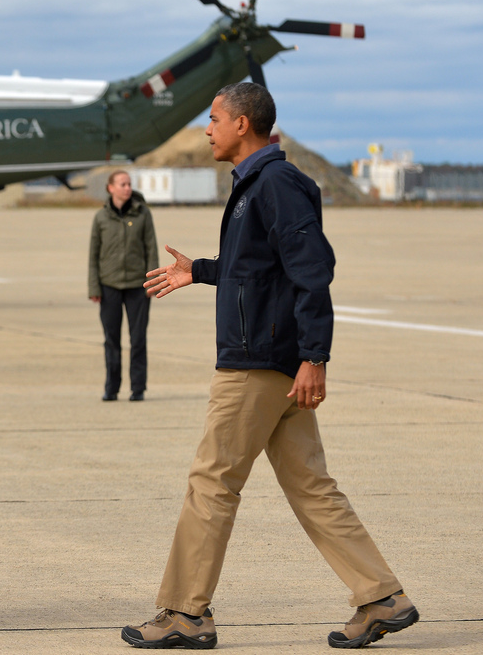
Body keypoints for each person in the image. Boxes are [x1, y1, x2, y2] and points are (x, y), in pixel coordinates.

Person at [121, 83, 418, 650]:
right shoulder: (256, 186)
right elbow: (259, 269)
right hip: (272, 360)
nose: (206, 129)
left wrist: (315, 357)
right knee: (311, 486)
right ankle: (381, 596)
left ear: (242, 125)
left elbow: (312, 270)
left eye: (213, 119)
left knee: (212, 482)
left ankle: (186, 613)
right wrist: (202, 271)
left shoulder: (276, 184)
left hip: (258, 365)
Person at [88, 170, 158, 401]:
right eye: (122, 184)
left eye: (129, 184)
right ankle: (112, 387)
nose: (127, 188)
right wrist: (94, 288)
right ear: (111, 188)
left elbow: (151, 248)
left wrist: (152, 283)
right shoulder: (100, 218)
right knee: (112, 340)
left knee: (138, 339)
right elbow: (93, 255)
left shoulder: (143, 214)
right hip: (109, 285)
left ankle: (138, 388)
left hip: (138, 286)